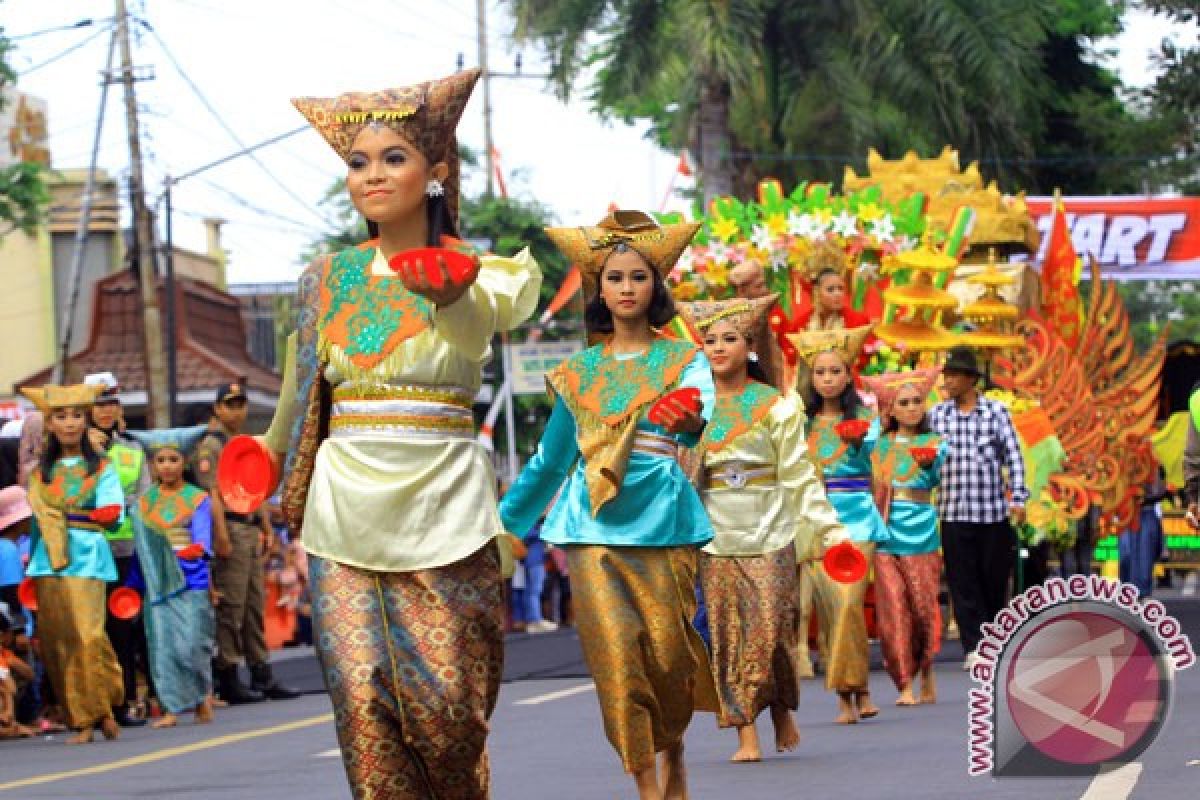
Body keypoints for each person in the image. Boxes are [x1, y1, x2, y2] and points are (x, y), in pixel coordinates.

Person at [261, 68, 541, 798]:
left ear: (436, 171)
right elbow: (302, 388)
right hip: (340, 509)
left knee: (450, 709)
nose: (373, 176)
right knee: (361, 701)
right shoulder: (325, 278)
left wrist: (449, 289)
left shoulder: (483, 274)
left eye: (394, 158)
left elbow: (475, 318)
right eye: (358, 163)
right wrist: (262, 457)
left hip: (444, 501)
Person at [501, 210, 717, 800]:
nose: (626, 287)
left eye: (638, 277)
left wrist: (691, 419)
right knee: (617, 663)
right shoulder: (576, 372)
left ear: (657, 287)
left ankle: (675, 753)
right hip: (590, 526)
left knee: (668, 659)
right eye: (615, 277)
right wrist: (505, 526)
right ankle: (647, 786)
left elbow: (704, 420)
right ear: (599, 289)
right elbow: (548, 461)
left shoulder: (684, 359)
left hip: (664, 520)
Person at [679, 297, 843, 764]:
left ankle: (778, 708)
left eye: (728, 338)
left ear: (749, 346)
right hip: (715, 535)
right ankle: (744, 730)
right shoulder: (694, 404)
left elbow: (798, 474)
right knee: (729, 635)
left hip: (770, 531)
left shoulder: (776, 405)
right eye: (709, 340)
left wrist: (829, 531)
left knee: (771, 631)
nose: (718, 348)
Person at [19, 383, 125, 744]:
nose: (69, 423)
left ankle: (101, 707)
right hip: (48, 560)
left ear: (86, 419)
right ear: (49, 424)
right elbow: (36, 524)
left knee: (89, 634)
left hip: (88, 555)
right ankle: (84, 715)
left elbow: (114, 510)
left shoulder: (101, 467)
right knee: (58, 640)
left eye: (77, 415)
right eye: (61, 416)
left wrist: (108, 512)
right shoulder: (39, 475)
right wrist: (29, 569)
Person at [788, 325, 883, 725]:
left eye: (834, 371)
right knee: (834, 610)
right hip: (815, 522)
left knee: (847, 603)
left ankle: (846, 692)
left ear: (848, 376)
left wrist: (858, 441)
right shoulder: (799, 424)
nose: (827, 379)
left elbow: (871, 455)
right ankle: (856, 689)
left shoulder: (865, 418)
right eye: (820, 372)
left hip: (856, 518)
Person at [193, 382, 295, 703]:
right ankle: (228, 673)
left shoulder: (244, 443)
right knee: (232, 604)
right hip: (231, 530)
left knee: (253, 603)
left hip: (250, 527)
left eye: (241, 404)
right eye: (230, 404)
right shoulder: (211, 446)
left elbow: (256, 488)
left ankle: (261, 671)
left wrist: (266, 526)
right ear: (217, 409)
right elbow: (212, 495)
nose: (236, 411)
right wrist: (220, 535)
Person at [930, 345, 1028, 670]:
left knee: (993, 580)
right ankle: (974, 646)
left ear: (972, 379)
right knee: (962, 582)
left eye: (954, 375)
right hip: (953, 511)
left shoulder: (996, 413)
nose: (948, 381)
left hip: (992, 512)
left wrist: (1019, 498)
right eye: (946, 375)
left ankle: (994, 641)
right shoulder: (937, 416)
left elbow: (1013, 457)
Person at [863, 368, 946, 706]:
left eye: (917, 402)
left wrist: (929, 467)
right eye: (904, 403)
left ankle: (926, 669)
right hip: (886, 536)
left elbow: (937, 477)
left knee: (924, 609)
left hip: (923, 533)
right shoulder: (879, 446)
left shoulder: (935, 443)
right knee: (893, 611)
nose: (912, 408)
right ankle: (904, 684)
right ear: (890, 409)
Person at [127, 426, 216, 729]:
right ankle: (171, 707)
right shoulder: (142, 504)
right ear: (152, 465)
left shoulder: (198, 498)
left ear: (185, 462)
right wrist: (133, 585)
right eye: (160, 460)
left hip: (191, 578)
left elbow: (203, 538)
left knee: (192, 644)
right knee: (162, 646)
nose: (166, 466)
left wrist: (198, 550)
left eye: (173, 459)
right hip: (158, 582)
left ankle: (202, 697)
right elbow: (141, 549)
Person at [83, 372, 152, 728]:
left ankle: (123, 700)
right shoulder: (75, 449)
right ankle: (91, 705)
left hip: (124, 548)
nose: (106, 410)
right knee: (89, 629)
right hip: (86, 548)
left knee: (123, 628)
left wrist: (118, 506)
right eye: (99, 403)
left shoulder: (132, 448)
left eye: (111, 402)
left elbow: (144, 497)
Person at [0, 487, 31, 618]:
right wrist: (19, 630)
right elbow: (11, 592)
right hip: (13, 625)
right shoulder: (8, 549)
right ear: (20, 521)